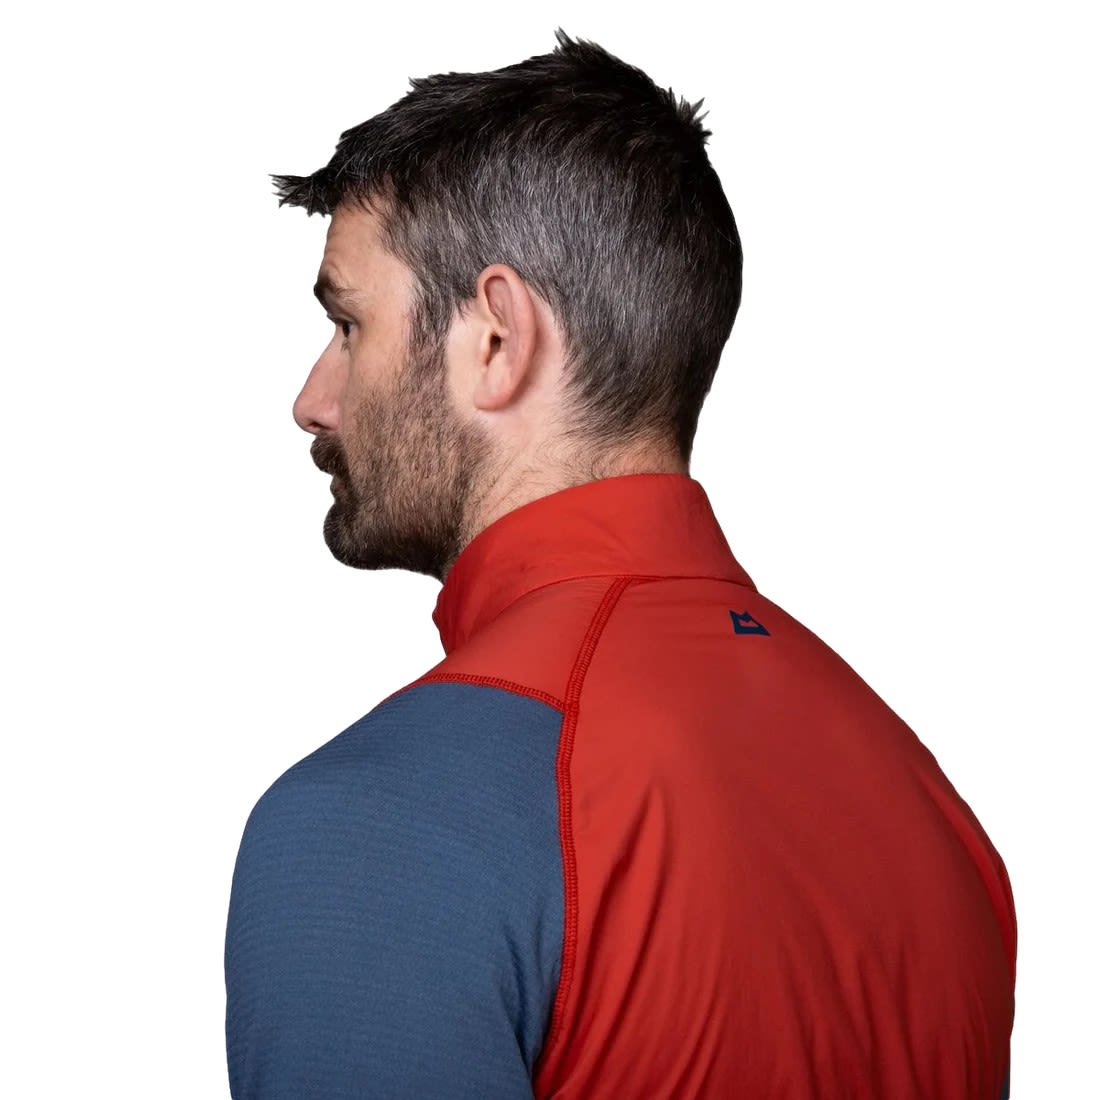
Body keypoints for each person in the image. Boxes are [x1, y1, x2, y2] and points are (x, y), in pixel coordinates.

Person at [223, 28, 1016, 1099]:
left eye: (348, 325)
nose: (313, 399)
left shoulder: (377, 830)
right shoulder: (927, 806)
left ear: (496, 339)